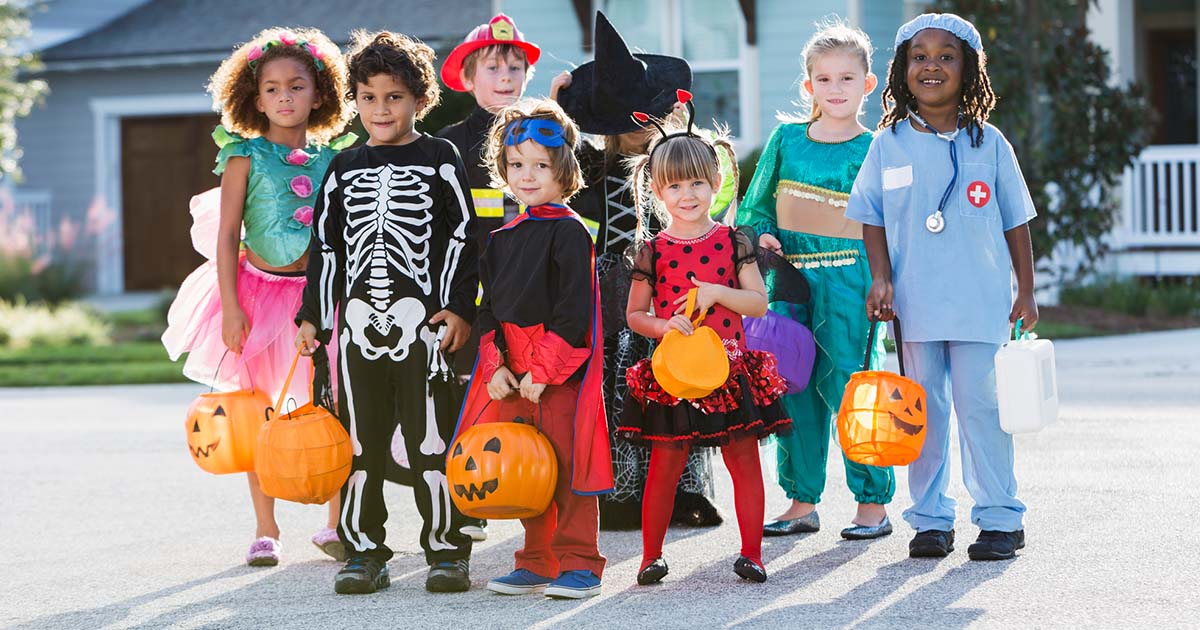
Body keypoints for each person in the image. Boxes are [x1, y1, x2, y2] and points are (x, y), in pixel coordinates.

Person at [846, 13, 1037, 561]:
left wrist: (1026, 289)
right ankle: (931, 520)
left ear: (969, 69)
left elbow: (1015, 220)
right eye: (919, 56)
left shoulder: (990, 142)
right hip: (915, 305)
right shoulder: (888, 144)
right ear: (903, 71)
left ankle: (1001, 518)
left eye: (946, 56)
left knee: (983, 410)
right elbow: (872, 218)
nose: (932, 65)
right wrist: (881, 277)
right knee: (921, 412)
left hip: (981, 305)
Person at [162, 26, 355, 568]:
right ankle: (266, 527)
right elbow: (227, 237)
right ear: (254, 96)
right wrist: (231, 306)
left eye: (296, 86)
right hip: (258, 294)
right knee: (261, 414)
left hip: (319, 298)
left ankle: (334, 522)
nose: (285, 98)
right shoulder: (244, 156)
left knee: (330, 406)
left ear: (319, 94)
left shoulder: (334, 158)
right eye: (272, 89)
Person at [294, 30, 477, 594]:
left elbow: (465, 236)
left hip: (421, 324)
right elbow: (326, 247)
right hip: (353, 328)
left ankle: (447, 548)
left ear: (420, 100)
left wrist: (455, 308)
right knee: (358, 440)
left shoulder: (440, 157)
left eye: (393, 97)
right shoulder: (344, 166)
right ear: (354, 101)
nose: (380, 109)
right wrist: (312, 317)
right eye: (368, 97)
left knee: (429, 441)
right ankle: (364, 549)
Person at [553, 10, 727, 530]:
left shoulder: (675, 166)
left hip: (674, 287)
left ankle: (683, 492)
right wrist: (561, 99)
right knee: (619, 390)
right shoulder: (591, 169)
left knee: (679, 383)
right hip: (612, 292)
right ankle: (622, 495)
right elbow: (551, 155)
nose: (637, 131)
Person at [617, 96, 791, 585]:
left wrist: (718, 291)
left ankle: (752, 553)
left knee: (744, 462)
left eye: (697, 182)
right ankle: (651, 555)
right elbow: (635, 314)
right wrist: (662, 326)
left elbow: (758, 302)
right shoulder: (651, 251)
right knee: (665, 465)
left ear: (715, 183)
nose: (688, 194)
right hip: (675, 373)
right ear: (657, 190)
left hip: (730, 370)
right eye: (675, 185)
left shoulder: (735, 241)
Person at [738, 22, 895, 541]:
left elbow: (891, 221)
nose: (835, 89)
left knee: (853, 387)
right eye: (824, 79)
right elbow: (755, 208)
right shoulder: (785, 140)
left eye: (847, 78)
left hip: (852, 285)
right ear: (809, 86)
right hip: (791, 286)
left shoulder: (877, 147)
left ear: (867, 84)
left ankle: (872, 503)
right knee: (795, 390)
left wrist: (885, 283)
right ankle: (801, 500)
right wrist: (763, 238)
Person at [455, 98, 611, 599]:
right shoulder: (502, 237)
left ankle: (580, 561)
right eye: (516, 165)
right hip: (511, 368)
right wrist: (495, 365)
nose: (527, 175)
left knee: (565, 466)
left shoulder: (569, 232)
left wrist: (544, 370)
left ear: (563, 172)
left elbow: (574, 309)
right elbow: (488, 308)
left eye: (539, 166)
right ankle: (536, 559)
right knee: (526, 467)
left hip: (557, 370)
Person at [427, 13, 542, 542]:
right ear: (468, 78)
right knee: (467, 397)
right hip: (470, 297)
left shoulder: (547, 134)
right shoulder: (447, 146)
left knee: (530, 396)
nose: (505, 76)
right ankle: (466, 505)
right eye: (493, 66)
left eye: (515, 66)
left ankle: (534, 497)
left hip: (533, 294)